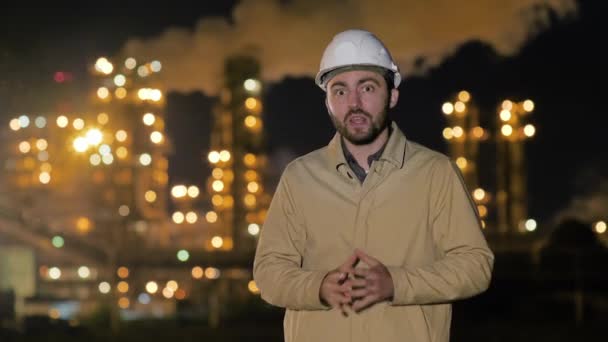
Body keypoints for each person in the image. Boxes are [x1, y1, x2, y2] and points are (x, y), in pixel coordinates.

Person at [253, 29, 494, 342]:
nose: (354, 102)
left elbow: (475, 266)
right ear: (327, 102)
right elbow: (269, 272)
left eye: (367, 87)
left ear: (392, 94)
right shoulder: (300, 178)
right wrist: (319, 287)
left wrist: (397, 283)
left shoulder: (435, 173)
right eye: (340, 91)